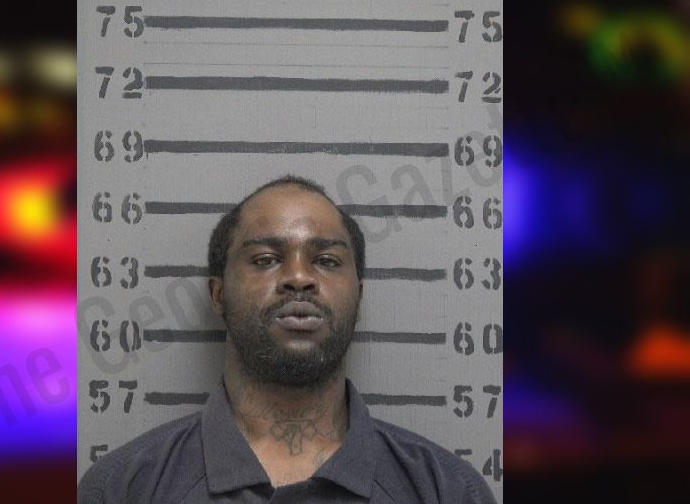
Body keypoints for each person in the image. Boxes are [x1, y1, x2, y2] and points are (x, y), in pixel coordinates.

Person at [78, 175, 497, 503]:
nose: (298, 277)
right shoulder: (122, 489)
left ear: (359, 295)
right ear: (218, 294)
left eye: (326, 261)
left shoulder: (447, 491)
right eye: (265, 259)